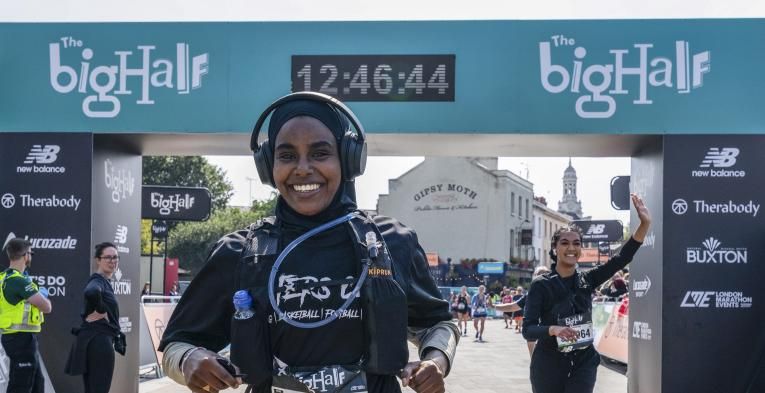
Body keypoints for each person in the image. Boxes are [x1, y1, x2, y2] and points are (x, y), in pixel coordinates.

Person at [158, 91, 459, 393]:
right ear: (267, 166)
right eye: (287, 155)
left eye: (320, 153)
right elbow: (176, 343)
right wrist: (189, 360)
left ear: (348, 159)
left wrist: (436, 361)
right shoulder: (238, 252)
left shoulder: (391, 243)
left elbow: (438, 324)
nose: (302, 168)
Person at [522, 193, 650, 393]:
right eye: (564, 243)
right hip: (549, 363)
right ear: (555, 249)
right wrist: (553, 329)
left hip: (584, 362)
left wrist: (644, 224)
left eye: (576, 243)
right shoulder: (541, 285)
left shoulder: (588, 279)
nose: (571, 248)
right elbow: (528, 329)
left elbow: (622, 258)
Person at [65, 242, 125, 393]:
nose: (113, 261)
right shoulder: (97, 281)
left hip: (94, 340)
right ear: (98, 260)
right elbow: (91, 292)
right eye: (108, 257)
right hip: (98, 341)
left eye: (116, 257)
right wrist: (101, 309)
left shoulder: (104, 282)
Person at [0, 238, 53, 393]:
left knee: (38, 383)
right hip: (20, 340)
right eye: (31, 253)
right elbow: (47, 307)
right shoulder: (19, 281)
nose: (31, 256)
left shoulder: (4, 277)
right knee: (21, 385)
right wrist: (42, 295)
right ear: (25, 255)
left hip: (16, 338)